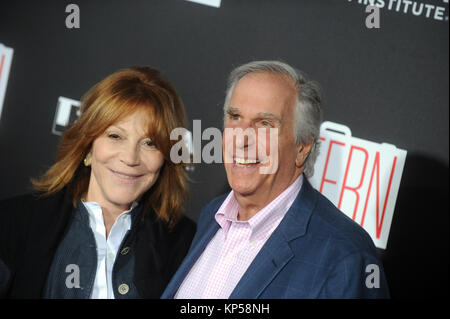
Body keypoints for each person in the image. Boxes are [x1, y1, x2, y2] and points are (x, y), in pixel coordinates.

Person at [162, 60, 390, 298]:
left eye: (265, 124)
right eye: (235, 117)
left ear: (302, 147)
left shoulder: (345, 257)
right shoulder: (212, 215)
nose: (241, 139)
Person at [0, 66, 196, 298]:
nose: (130, 158)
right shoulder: (14, 223)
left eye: (150, 143)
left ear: (165, 157)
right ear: (89, 146)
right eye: (115, 136)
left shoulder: (187, 245)